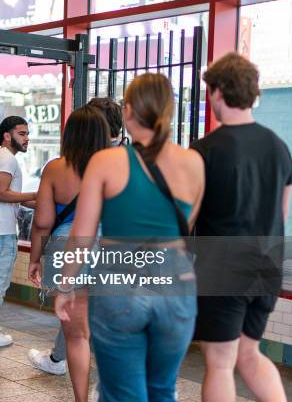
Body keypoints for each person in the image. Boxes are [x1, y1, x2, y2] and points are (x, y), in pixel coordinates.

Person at [56, 73, 205, 401]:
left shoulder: (106, 162)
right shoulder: (193, 162)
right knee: (162, 390)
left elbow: (82, 235)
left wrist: (66, 285)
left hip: (120, 285)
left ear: (128, 111)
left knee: (123, 393)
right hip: (176, 286)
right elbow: (185, 229)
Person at [191, 52, 290, 402]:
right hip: (266, 267)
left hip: (223, 268)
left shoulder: (205, 151)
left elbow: (188, 217)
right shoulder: (279, 148)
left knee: (219, 364)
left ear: (218, 92)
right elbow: (281, 212)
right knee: (249, 354)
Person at [26, 98, 122, 380]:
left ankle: (61, 362)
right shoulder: (124, 163)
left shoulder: (57, 168)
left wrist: (34, 258)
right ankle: (60, 360)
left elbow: (42, 223)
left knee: (76, 313)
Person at [0, 116, 36, 348]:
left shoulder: (1, 158)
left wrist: (41, 202)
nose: (26, 138)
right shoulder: (6, 159)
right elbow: (2, 194)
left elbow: (11, 197)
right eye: (22, 134)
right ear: (7, 136)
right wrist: (34, 195)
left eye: (27, 134)